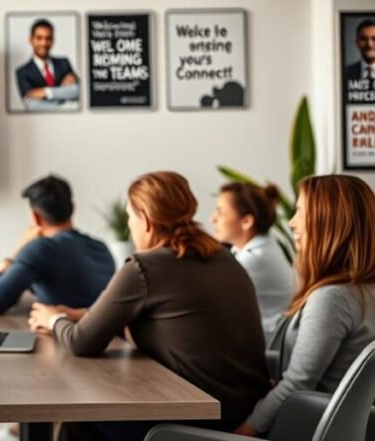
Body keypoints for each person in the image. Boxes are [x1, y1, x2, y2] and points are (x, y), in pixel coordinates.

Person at [29, 172, 268, 439]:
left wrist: (53, 318)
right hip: (244, 411)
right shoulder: (222, 255)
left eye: (130, 217)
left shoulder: (145, 267)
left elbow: (81, 342)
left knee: (80, 421)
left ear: (145, 219)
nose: (130, 226)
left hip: (200, 421)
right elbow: (176, 318)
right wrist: (83, 314)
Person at [234, 175, 375, 438]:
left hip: (305, 428)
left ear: (329, 222)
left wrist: (244, 431)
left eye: (300, 211)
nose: (291, 222)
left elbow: (297, 385)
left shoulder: (333, 299)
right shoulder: (363, 292)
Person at [0, 175, 114, 315]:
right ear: (73, 209)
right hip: (104, 332)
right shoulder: (101, 247)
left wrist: (15, 254)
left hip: (64, 333)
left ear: (36, 217)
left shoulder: (40, 249)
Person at [210, 182, 294, 344]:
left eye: (220, 212)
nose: (213, 219)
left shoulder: (254, 259)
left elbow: (210, 299)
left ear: (247, 221)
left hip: (268, 350)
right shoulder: (262, 245)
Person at [14, 19, 78, 106]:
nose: (44, 43)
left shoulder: (64, 63)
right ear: (31, 40)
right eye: (39, 38)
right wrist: (64, 91)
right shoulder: (22, 72)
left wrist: (45, 92)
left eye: (48, 38)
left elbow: (78, 92)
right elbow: (32, 105)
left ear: (53, 40)